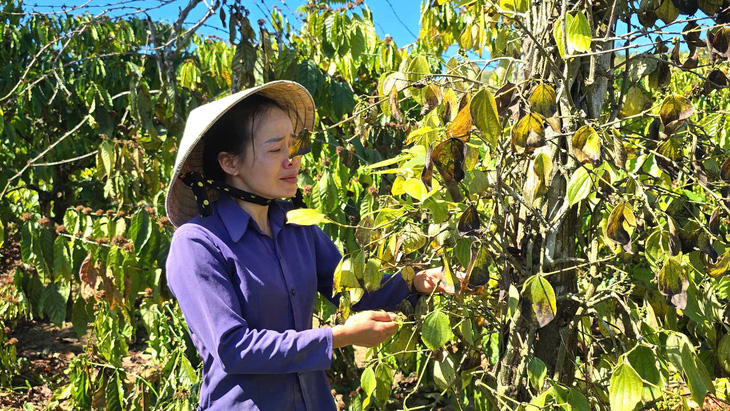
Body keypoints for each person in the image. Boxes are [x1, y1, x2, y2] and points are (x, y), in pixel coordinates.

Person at [164, 80, 452, 410]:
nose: (293, 160)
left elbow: (352, 290)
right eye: (275, 150)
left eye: (294, 146)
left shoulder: (297, 225)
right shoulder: (198, 244)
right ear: (230, 163)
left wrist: (415, 280)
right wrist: (339, 337)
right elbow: (233, 348)